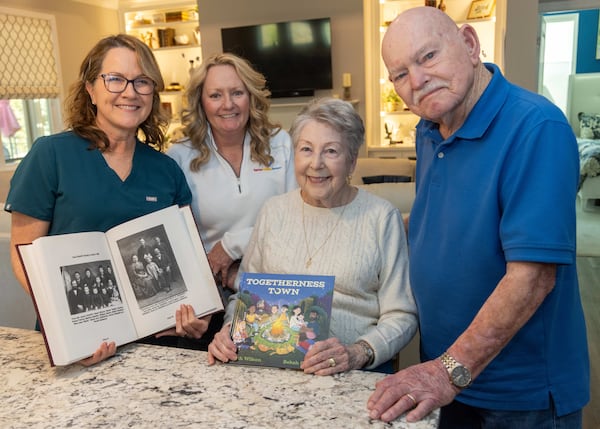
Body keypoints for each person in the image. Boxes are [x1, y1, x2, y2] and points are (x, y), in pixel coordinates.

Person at [367, 7, 589, 427]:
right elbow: (446, 222)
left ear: (469, 45)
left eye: (427, 57)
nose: (416, 82)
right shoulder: (431, 126)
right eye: (399, 74)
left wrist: (445, 372)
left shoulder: (536, 126)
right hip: (451, 380)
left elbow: (533, 276)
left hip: (519, 395)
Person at [5, 34, 192, 366]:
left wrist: (195, 311)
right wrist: (68, 332)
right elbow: (23, 255)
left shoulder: (167, 170)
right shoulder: (50, 155)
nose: (130, 92)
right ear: (90, 88)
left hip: (157, 349)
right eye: (115, 79)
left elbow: (183, 258)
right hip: (78, 347)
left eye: (142, 81)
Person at [207, 97, 418, 375]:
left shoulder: (381, 218)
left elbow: (402, 315)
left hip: (353, 372)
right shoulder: (273, 211)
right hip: (272, 368)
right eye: (306, 149)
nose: (316, 164)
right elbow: (244, 298)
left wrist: (358, 353)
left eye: (331, 151)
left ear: (352, 161)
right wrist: (229, 331)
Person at [161, 52, 297, 350]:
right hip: (210, 294)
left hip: (272, 289)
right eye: (216, 95)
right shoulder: (179, 157)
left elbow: (296, 221)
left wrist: (232, 245)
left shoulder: (281, 143)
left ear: (251, 97)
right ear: (201, 102)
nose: (228, 104)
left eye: (237, 92)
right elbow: (178, 238)